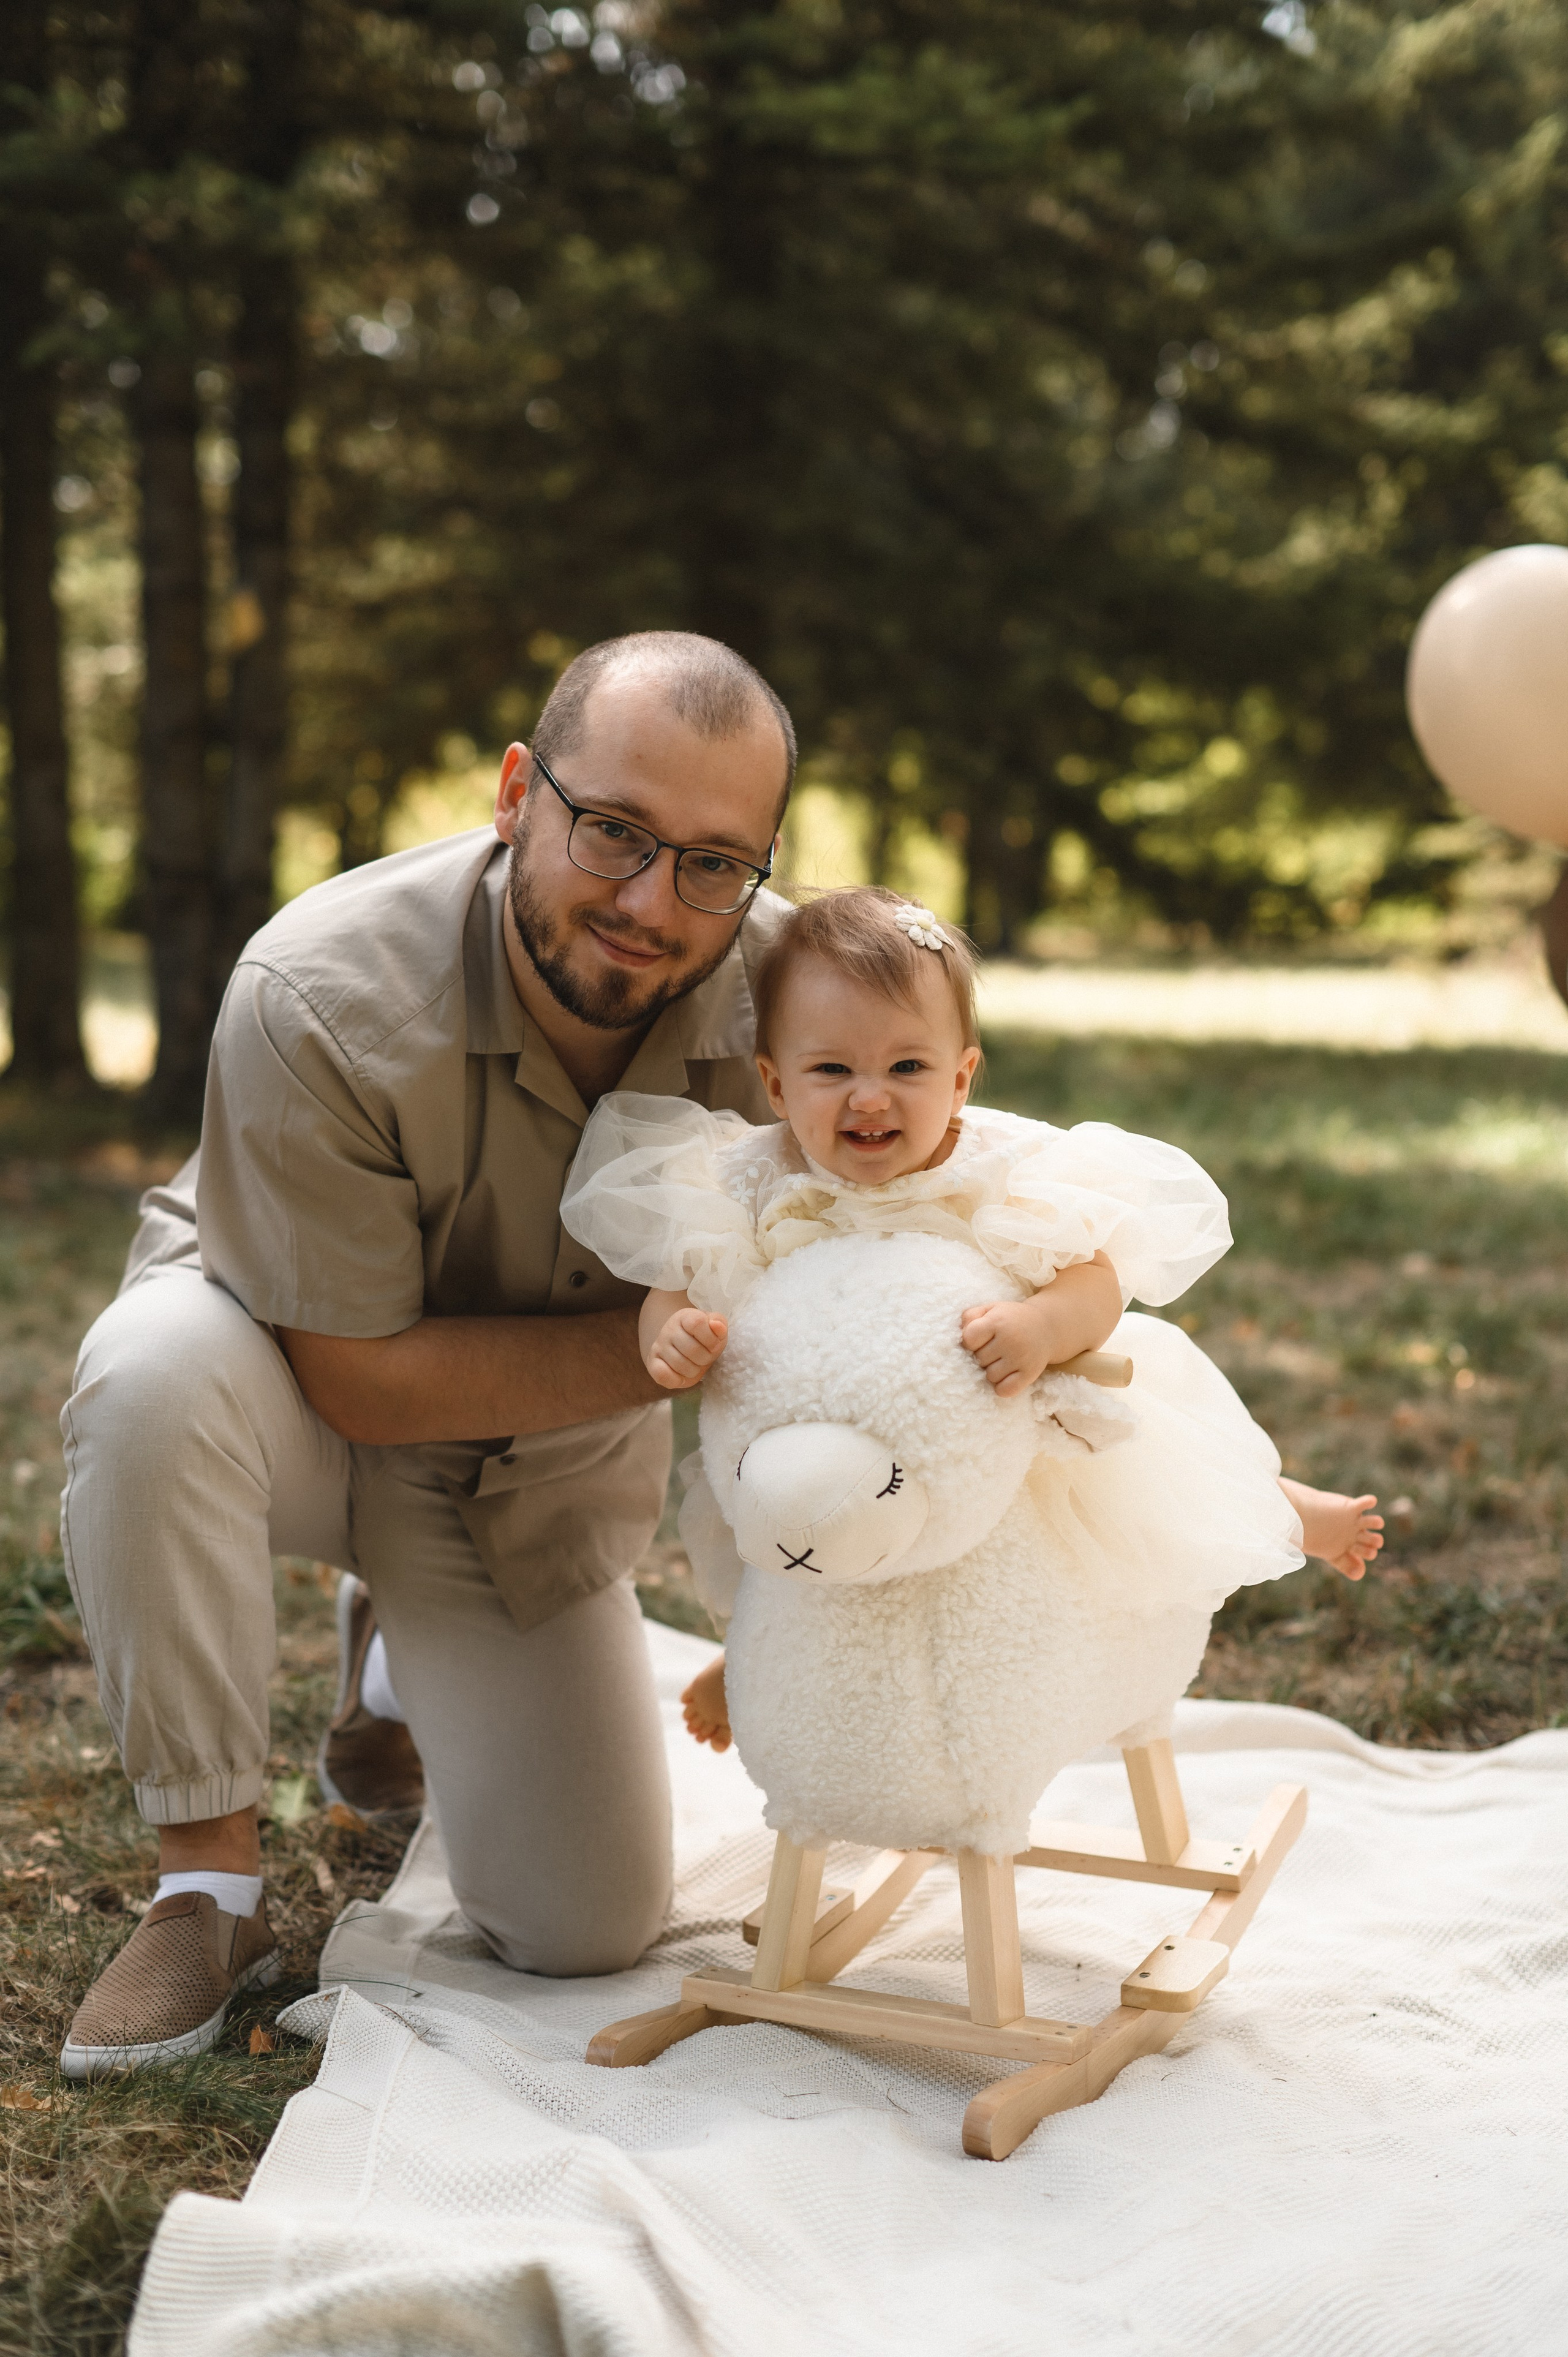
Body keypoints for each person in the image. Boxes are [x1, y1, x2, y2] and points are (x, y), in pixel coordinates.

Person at [55, 631, 796, 2076]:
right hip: (294, 1388)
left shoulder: (795, 999)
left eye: (714, 862)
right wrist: (651, 1352)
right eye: (613, 830)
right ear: (517, 793)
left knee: (580, 1927)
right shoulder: (315, 987)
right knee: (147, 1372)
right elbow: (358, 1380)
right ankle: (206, 1890)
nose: (652, 902)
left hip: (527, 1475)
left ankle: (389, 1663)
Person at [559, 886, 1383, 1755]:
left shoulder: (1001, 1169)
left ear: (959, 1079)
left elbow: (1098, 1281)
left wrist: (1043, 1327)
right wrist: (670, 1335)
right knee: (796, 1530)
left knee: (1143, 1467)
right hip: (831, 1430)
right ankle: (753, 1661)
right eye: (831, 1071)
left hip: (994, 1418)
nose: (869, 1099)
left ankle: (1282, 1510)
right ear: (775, 1083)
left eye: (907, 1069)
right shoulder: (750, 1178)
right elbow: (676, 1285)